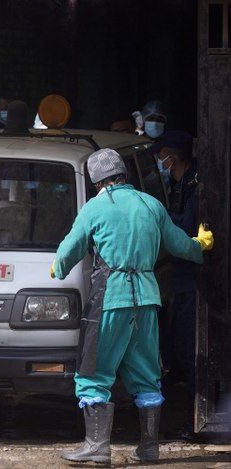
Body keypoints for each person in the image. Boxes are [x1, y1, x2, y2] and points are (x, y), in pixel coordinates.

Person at [52, 148, 213, 464]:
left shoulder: (95, 208)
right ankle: (149, 448)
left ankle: (97, 447)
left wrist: (58, 267)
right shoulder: (150, 204)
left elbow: (69, 250)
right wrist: (201, 245)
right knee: (146, 373)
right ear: (123, 174)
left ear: (97, 179)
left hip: (110, 300)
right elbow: (182, 245)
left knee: (94, 372)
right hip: (147, 300)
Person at [154, 131, 199, 440]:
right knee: (179, 347)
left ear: (175, 156)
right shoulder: (179, 185)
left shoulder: (196, 187)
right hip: (181, 275)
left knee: (189, 349)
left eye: (163, 155)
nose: (160, 162)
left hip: (195, 278)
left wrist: (163, 225)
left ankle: (199, 421)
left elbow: (185, 231)